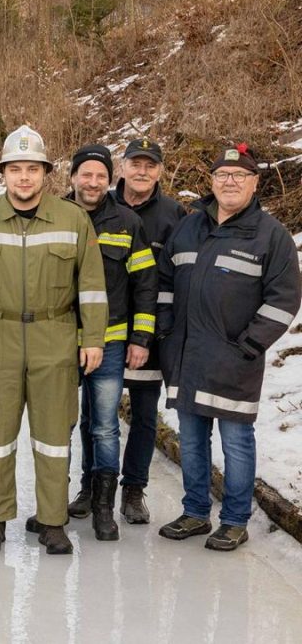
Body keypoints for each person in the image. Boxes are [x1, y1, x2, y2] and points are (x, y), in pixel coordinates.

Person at [0, 125, 108, 555]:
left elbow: (91, 284)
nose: (24, 177)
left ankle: (53, 521)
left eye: (32, 169)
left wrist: (92, 338)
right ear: (3, 173)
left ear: (46, 173)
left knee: (53, 438)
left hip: (54, 337)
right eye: (15, 169)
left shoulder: (73, 218)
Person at [157, 144, 300, 551]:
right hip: (187, 357)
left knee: (236, 443)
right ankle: (195, 512)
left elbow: (284, 299)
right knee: (192, 440)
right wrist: (166, 331)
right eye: (222, 175)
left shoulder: (270, 235)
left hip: (235, 361)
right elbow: (165, 283)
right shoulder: (189, 227)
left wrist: (249, 345)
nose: (230, 181)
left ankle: (235, 521)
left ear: (255, 183)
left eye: (240, 175)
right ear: (212, 182)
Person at [86, 139, 186, 524]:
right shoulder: (100, 204)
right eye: (136, 164)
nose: (142, 171)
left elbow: (168, 278)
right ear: (122, 167)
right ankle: (90, 487)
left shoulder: (174, 215)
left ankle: (133, 489)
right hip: (102, 331)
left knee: (143, 415)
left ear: (160, 171)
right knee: (94, 415)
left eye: (150, 165)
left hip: (147, 332)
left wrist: (147, 335)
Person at [63, 145, 157, 542]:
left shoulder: (127, 222)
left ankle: (103, 506)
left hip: (111, 340)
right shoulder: (56, 216)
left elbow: (146, 283)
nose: (93, 182)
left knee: (104, 426)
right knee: (60, 424)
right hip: (61, 341)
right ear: (72, 177)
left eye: (100, 175)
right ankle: (59, 501)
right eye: (86, 174)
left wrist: (141, 337)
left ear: (109, 178)